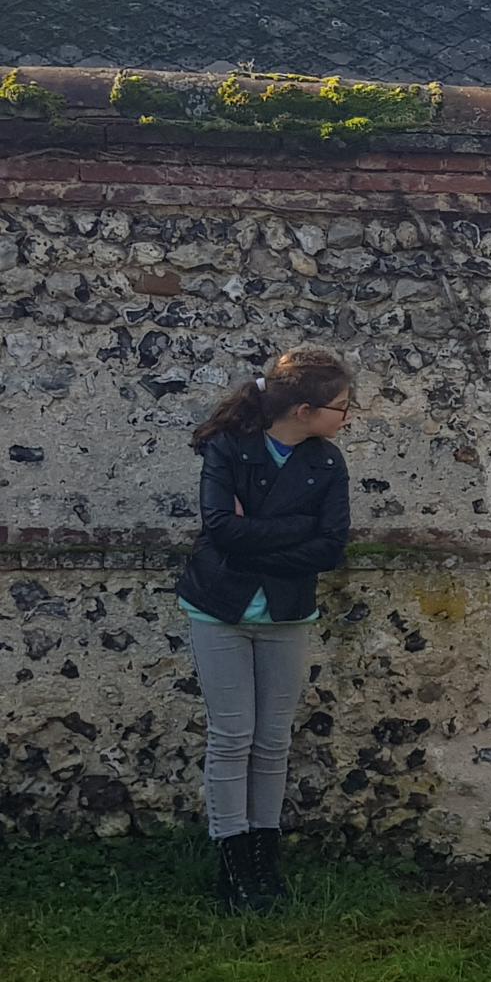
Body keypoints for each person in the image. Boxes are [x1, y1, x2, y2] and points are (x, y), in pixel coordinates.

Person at [175, 346, 354, 913]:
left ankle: (264, 863)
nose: (347, 418)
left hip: (286, 611)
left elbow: (330, 547)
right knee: (232, 738)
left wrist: (263, 533)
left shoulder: (326, 463)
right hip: (219, 609)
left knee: (273, 741)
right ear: (304, 408)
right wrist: (293, 530)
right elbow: (220, 530)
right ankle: (233, 868)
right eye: (341, 407)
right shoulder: (228, 448)